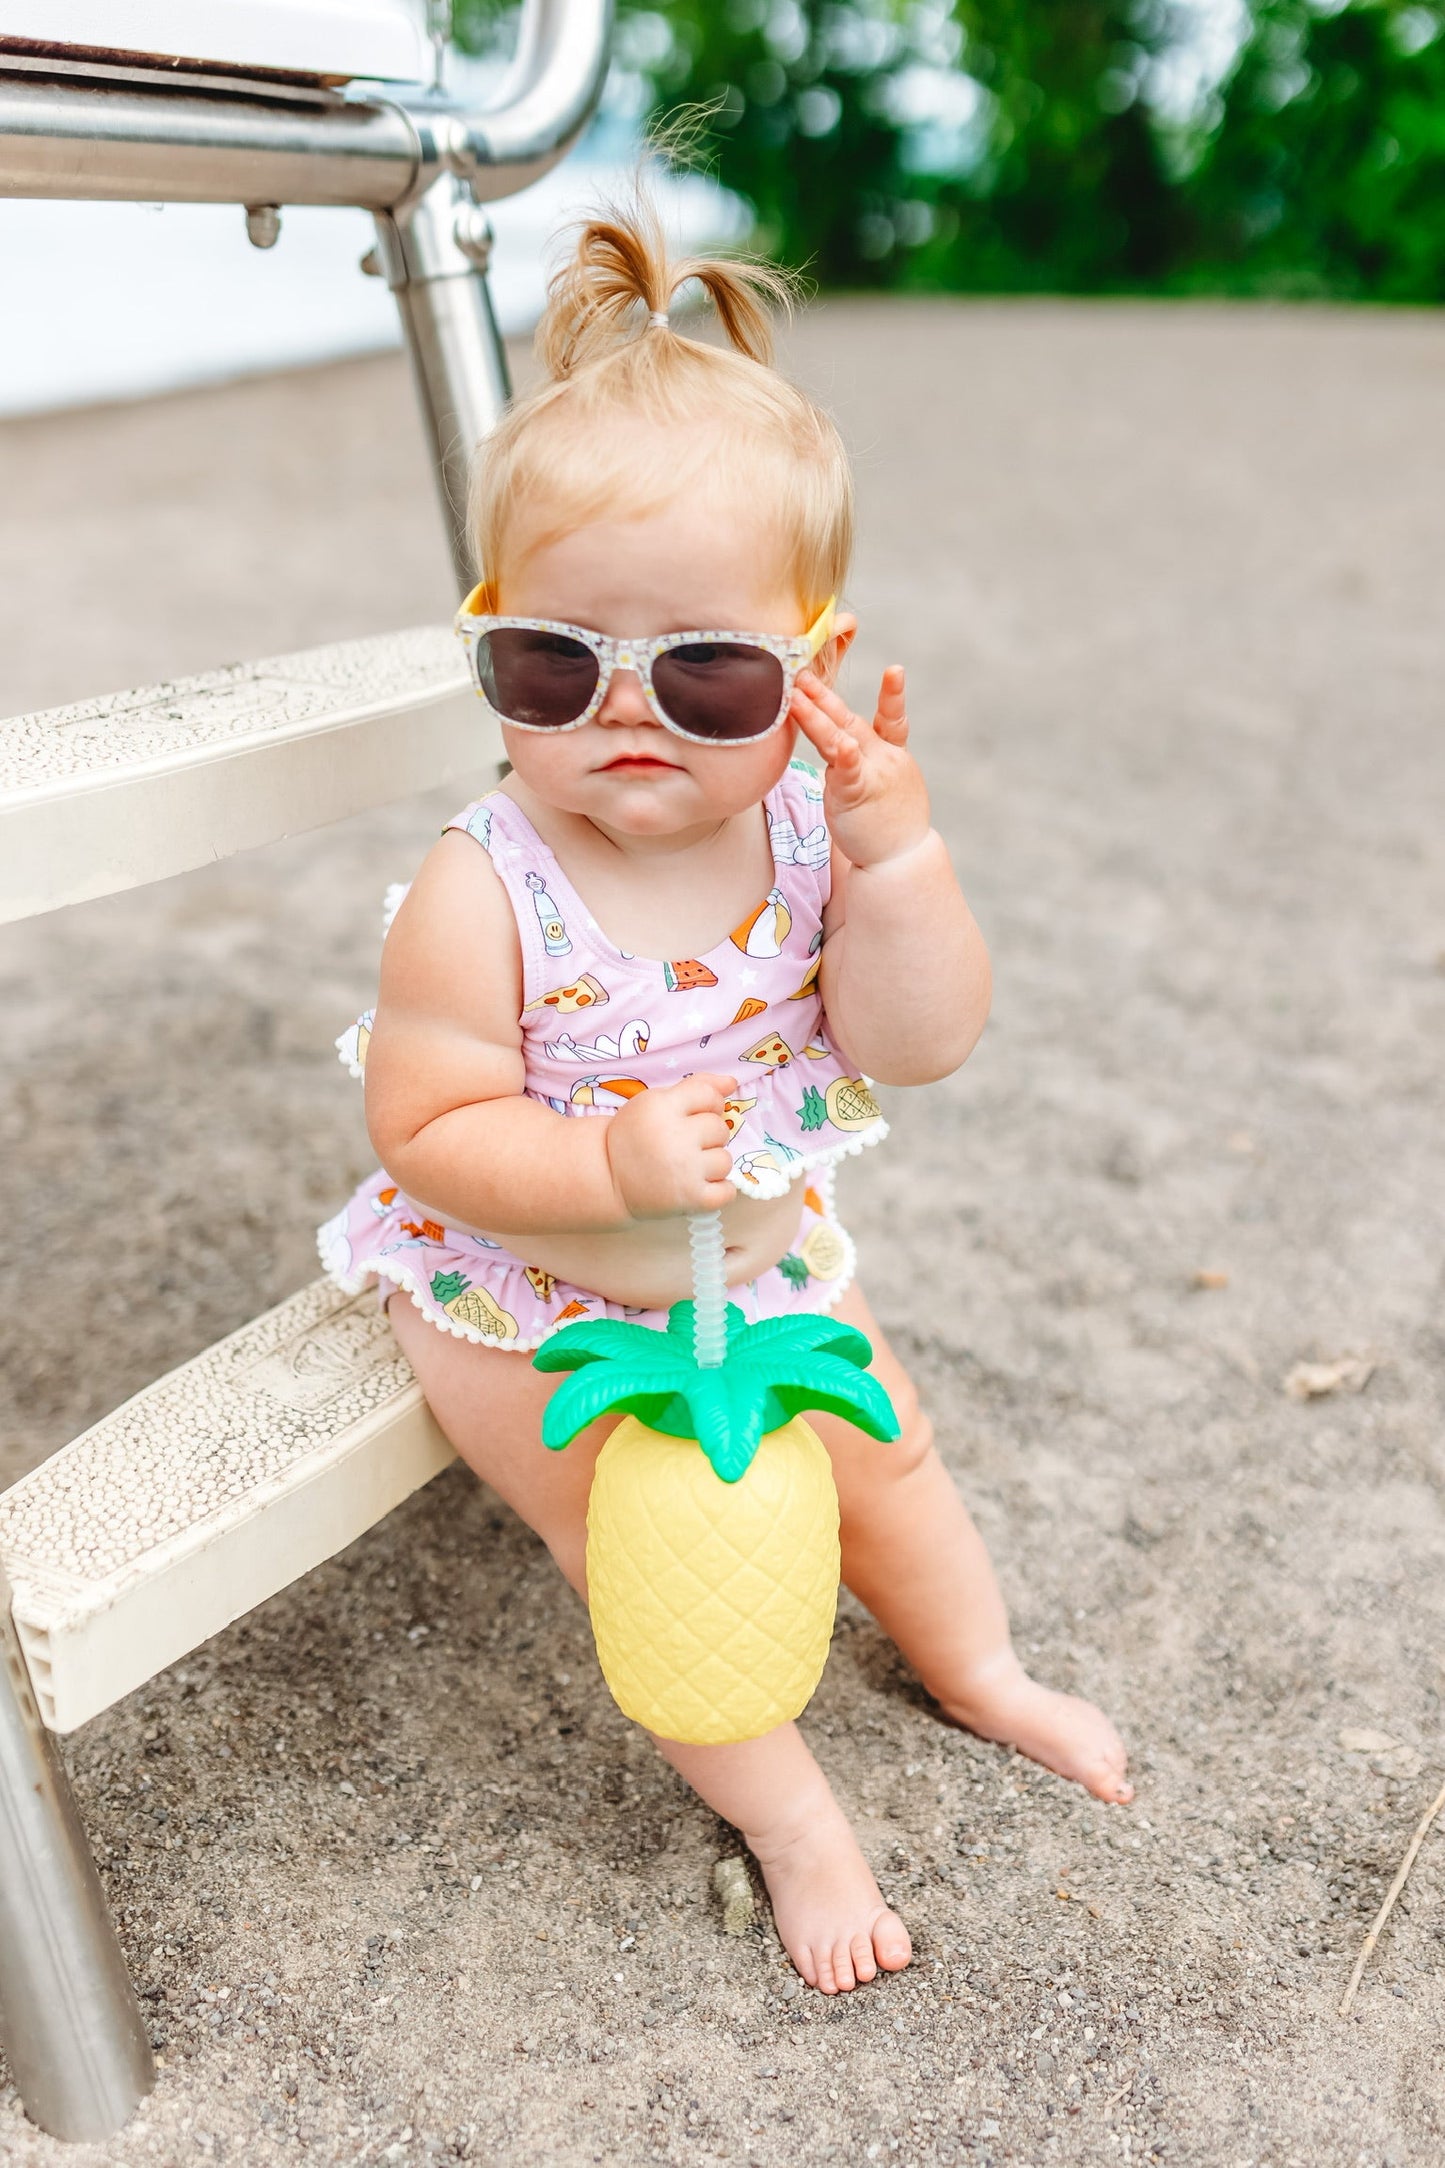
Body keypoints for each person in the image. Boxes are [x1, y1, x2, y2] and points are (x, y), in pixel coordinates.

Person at [318, 194, 1130, 1998]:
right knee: (658, 1552)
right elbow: (425, 1126)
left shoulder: (802, 836)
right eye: (551, 661)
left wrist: (897, 861)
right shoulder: (488, 883)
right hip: (531, 1296)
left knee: (888, 1460)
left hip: (761, 1260)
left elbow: (915, 1041)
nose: (624, 712)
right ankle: (790, 1825)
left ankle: (976, 1667)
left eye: (703, 672)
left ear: (810, 672)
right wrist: (598, 1156)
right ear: (490, 644)